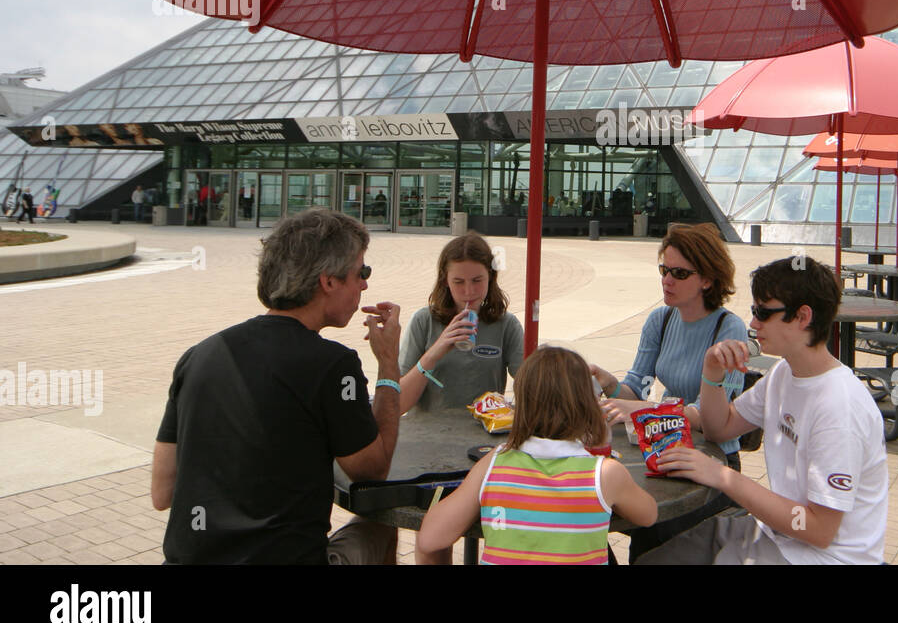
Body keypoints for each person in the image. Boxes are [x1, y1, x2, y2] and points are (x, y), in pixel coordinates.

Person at [151, 207, 403, 564]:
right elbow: (373, 471)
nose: (364, 284)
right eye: (361, 272)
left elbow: (162, 492)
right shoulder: (332, 364)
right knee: (381, 525)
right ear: (328, 281)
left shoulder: (197, 356)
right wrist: (389, 364)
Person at [638, 256, 888, 565]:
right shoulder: (784, 373)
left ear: (802, 317)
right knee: (653, 559)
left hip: (826, 557)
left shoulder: (839, 407)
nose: (753, 324)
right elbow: (720, 428)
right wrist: (711, 373)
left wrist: (722, 476)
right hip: (776, 535)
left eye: (763, 313)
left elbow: (820, 530)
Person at [589, 221, 749, 561]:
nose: (667, 280)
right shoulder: (660, 320)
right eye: (664, 269)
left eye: (679, 272)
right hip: (663, 451)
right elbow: (638, 386)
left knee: (657, 534)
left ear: (707, 279)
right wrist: (606, 381)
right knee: (619, 524)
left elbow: (713, 415)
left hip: (714, 460)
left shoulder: (728, 328)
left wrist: (642, 411)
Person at [416, 345, 657, 564]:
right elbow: (648, 515)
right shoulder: (605, 474)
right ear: (589, 407)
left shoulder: (495, 463)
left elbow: (430, 539)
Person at [398, 231, 524, 564]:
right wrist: (435, 352)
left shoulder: (505, 325)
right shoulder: (424, 322)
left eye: (477, 281)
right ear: (444, 281)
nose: (469, 293)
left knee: (500, 531)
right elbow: (398, 403)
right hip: (429, 451)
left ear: (491, 278)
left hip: (483, 449)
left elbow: (529, 386)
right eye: (459, 282)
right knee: (433, 541)